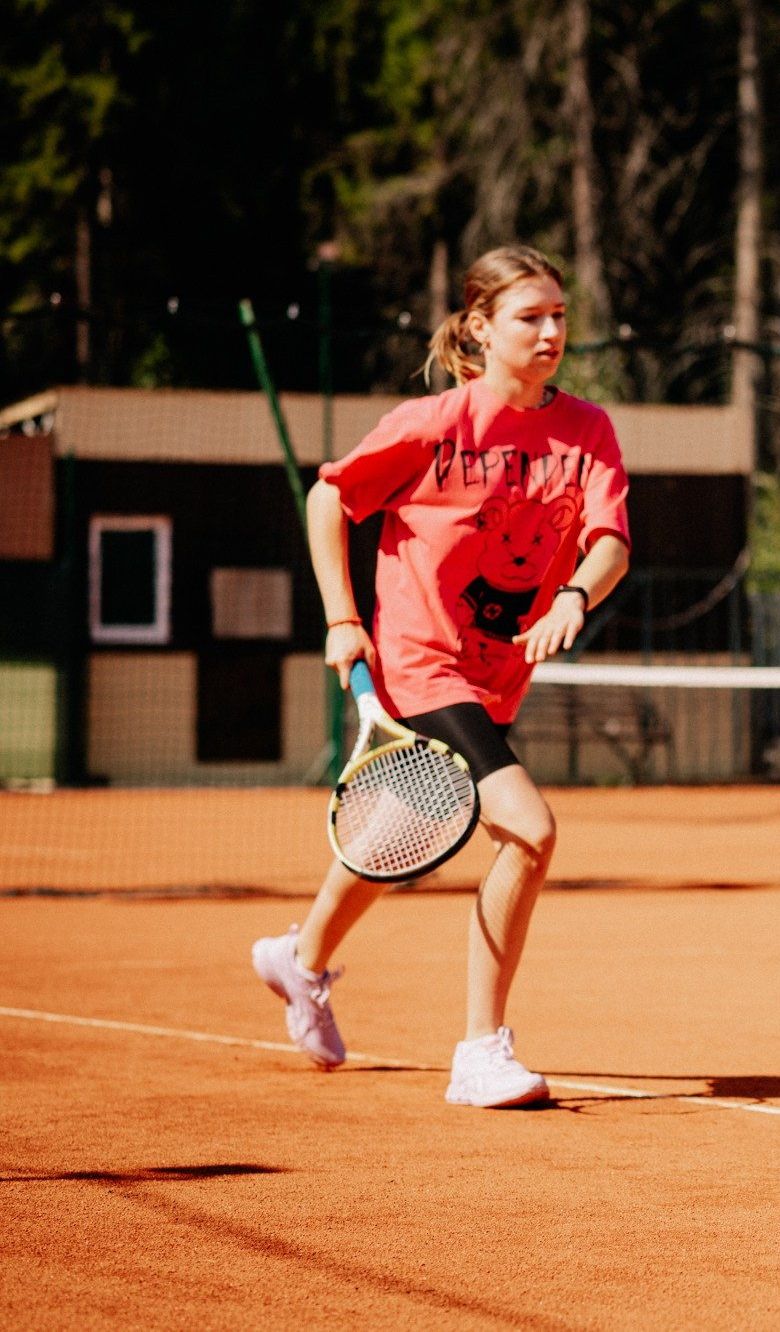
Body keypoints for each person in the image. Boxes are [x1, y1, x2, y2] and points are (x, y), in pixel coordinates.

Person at [252, 245, 630, 1108]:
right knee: (529, 831)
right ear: (481, 329)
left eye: (559, 316)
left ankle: (299, 958)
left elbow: (610, 537)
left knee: (398, 827)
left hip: (496, 673)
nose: (549, 332)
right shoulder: (435, 422)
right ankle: (480, 1052)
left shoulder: (588, 430)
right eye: (529, 317)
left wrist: (575, 592)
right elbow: (328, 498)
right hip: (422, 660)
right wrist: (343, 619)